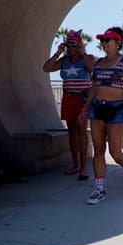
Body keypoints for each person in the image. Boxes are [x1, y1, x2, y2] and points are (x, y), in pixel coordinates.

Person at [87, 27, 123, 204]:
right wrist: (84, 109)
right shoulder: (98, 62)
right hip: (97, 108)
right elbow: (93, 88)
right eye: (102, 40)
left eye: (107, 40)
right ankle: (99, 189)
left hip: (117, 108)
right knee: (98, 149)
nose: (104, 43)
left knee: (115, 152)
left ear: (118, 43)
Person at [42, 29, 94, 180]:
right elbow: (46, 68)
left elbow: (92, 69)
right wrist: (58, 52)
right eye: (68, 44)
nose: (70, 48)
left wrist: (83, 53)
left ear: (79, 45)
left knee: (82, 131)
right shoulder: (64, 60)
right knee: (72, 132)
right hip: (68, 98)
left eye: (73, 45)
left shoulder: (86, 58)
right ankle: (75, 165)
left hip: (82, 99)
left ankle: (83, 168)